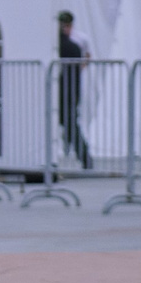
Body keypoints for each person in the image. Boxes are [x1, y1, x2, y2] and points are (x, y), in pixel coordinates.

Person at [55, 11, 92, 169]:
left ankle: (84, 156)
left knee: (69, 122)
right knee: (69, 123)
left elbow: (86, 57)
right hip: (69, 87)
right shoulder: (71, 45)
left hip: (68, 88)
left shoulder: (76, 41)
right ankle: (83, 156)